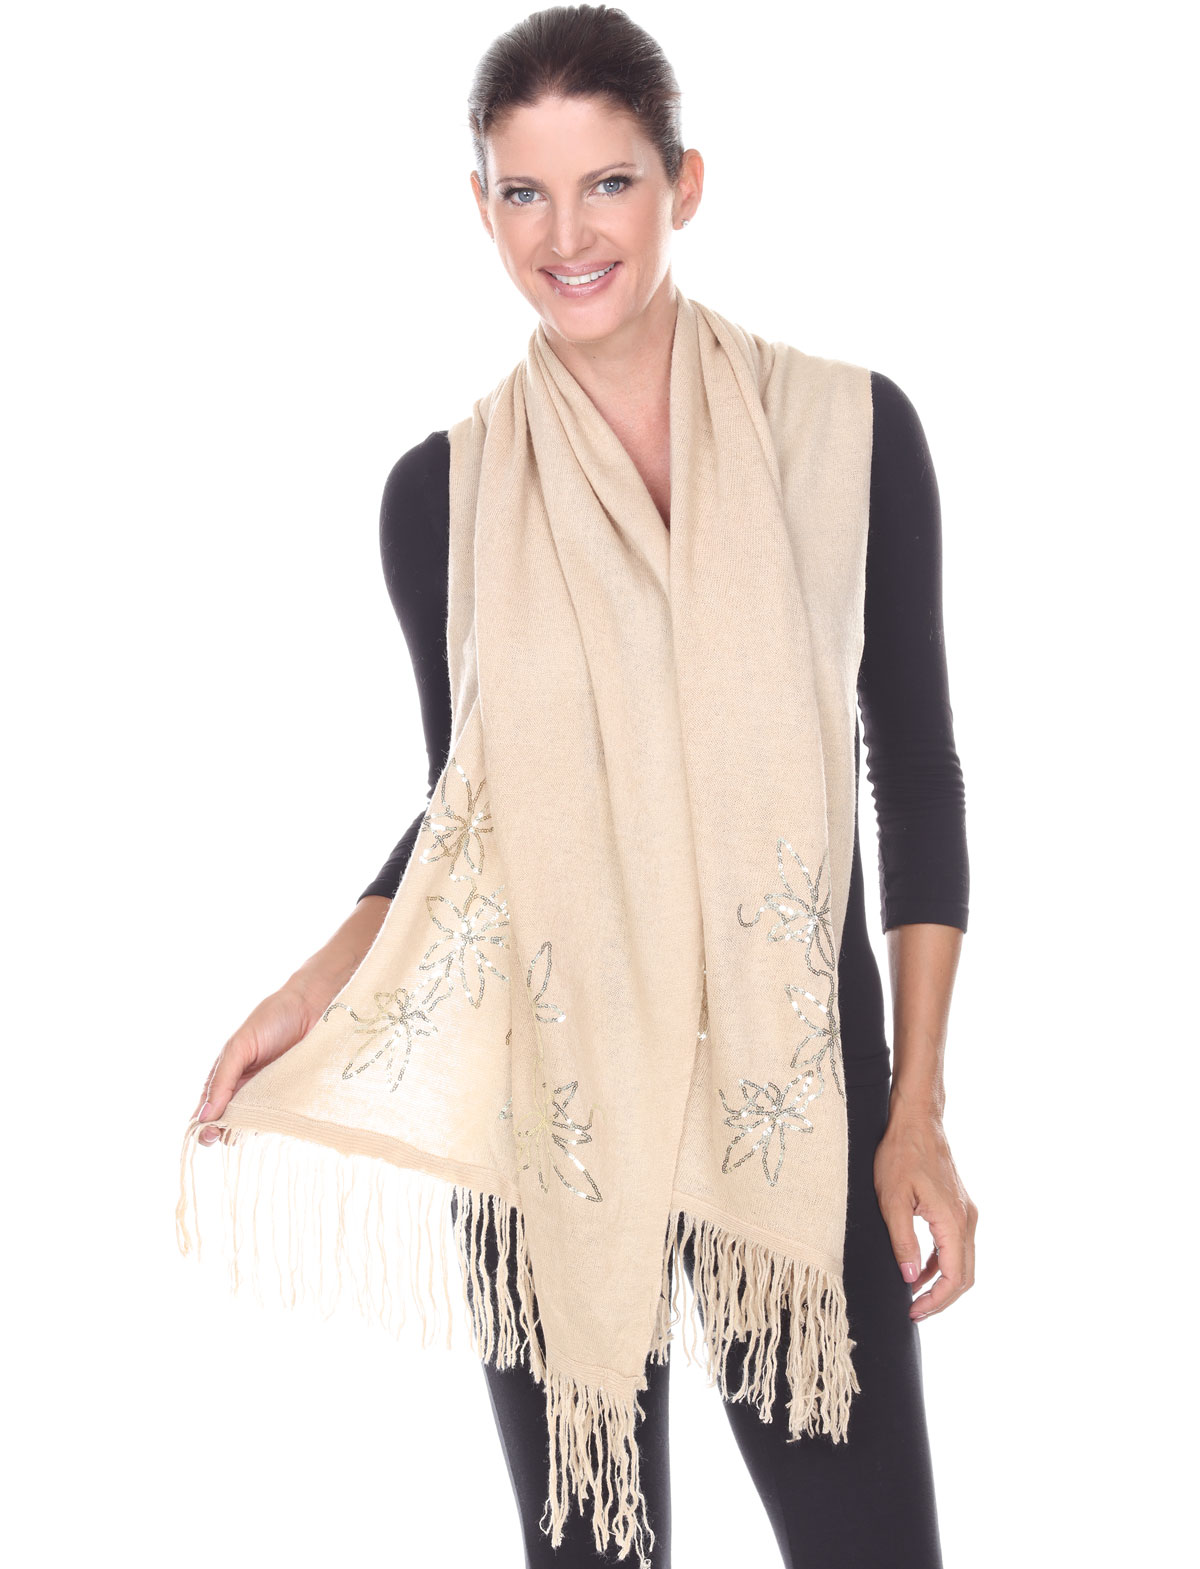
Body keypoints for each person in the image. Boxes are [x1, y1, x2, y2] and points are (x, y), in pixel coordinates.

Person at [189, 7, 977, 1565]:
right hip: (548, 1107)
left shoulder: (847, 434)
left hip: (795, 1104)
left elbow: (918, 768)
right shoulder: (443, 496)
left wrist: (918, 1111)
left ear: (686, 182)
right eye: (525, 193)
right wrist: (310, 987)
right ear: (478, 206)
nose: (568, 237)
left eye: (608, 183)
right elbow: (467, 818)